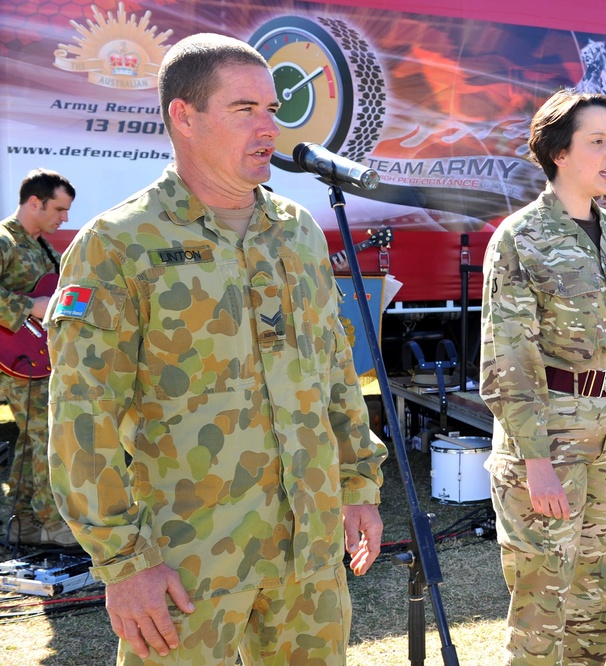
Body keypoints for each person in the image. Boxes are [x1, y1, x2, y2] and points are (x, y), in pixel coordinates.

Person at [46, 33, 387, 665]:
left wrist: (357, 482)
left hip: (308, 555)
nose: (269, 128)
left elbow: (335, 368)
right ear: (184, 115)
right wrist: (122, 564)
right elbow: (80, 419)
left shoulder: (298, 231)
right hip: (185, 559)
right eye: (244, 110)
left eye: (272, 110)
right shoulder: (120, 245)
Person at [479, 89, 606, 665]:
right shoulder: (520, 238)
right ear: (559, 153)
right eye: (597, 141)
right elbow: (507, 363)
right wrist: (535, 462)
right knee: (543, 609)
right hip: (549, 444)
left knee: (601, 601)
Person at [0, 168, 77, 548]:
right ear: (34, 202)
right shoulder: (4, 241)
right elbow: (33, 304)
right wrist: (30, 305)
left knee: (34, 442)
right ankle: (51, 523)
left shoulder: (42, 245)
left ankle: (24, 524)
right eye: (59, 209)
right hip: (14, 362)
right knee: (47, 438)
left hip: (38, 359)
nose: (64, 219)